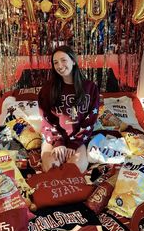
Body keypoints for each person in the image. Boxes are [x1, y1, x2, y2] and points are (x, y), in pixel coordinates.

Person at [38, 45, 99, 173]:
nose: (60, 66)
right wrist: (58, 142)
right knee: (51, 167)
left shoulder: (90, 87)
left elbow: (90, 120)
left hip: (78, 137)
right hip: (54, 136)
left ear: (73, 61)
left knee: (76, 169)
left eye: (63, 60)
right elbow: (46, 120)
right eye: (55, 62)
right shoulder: (47, 90)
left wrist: (75, 143)